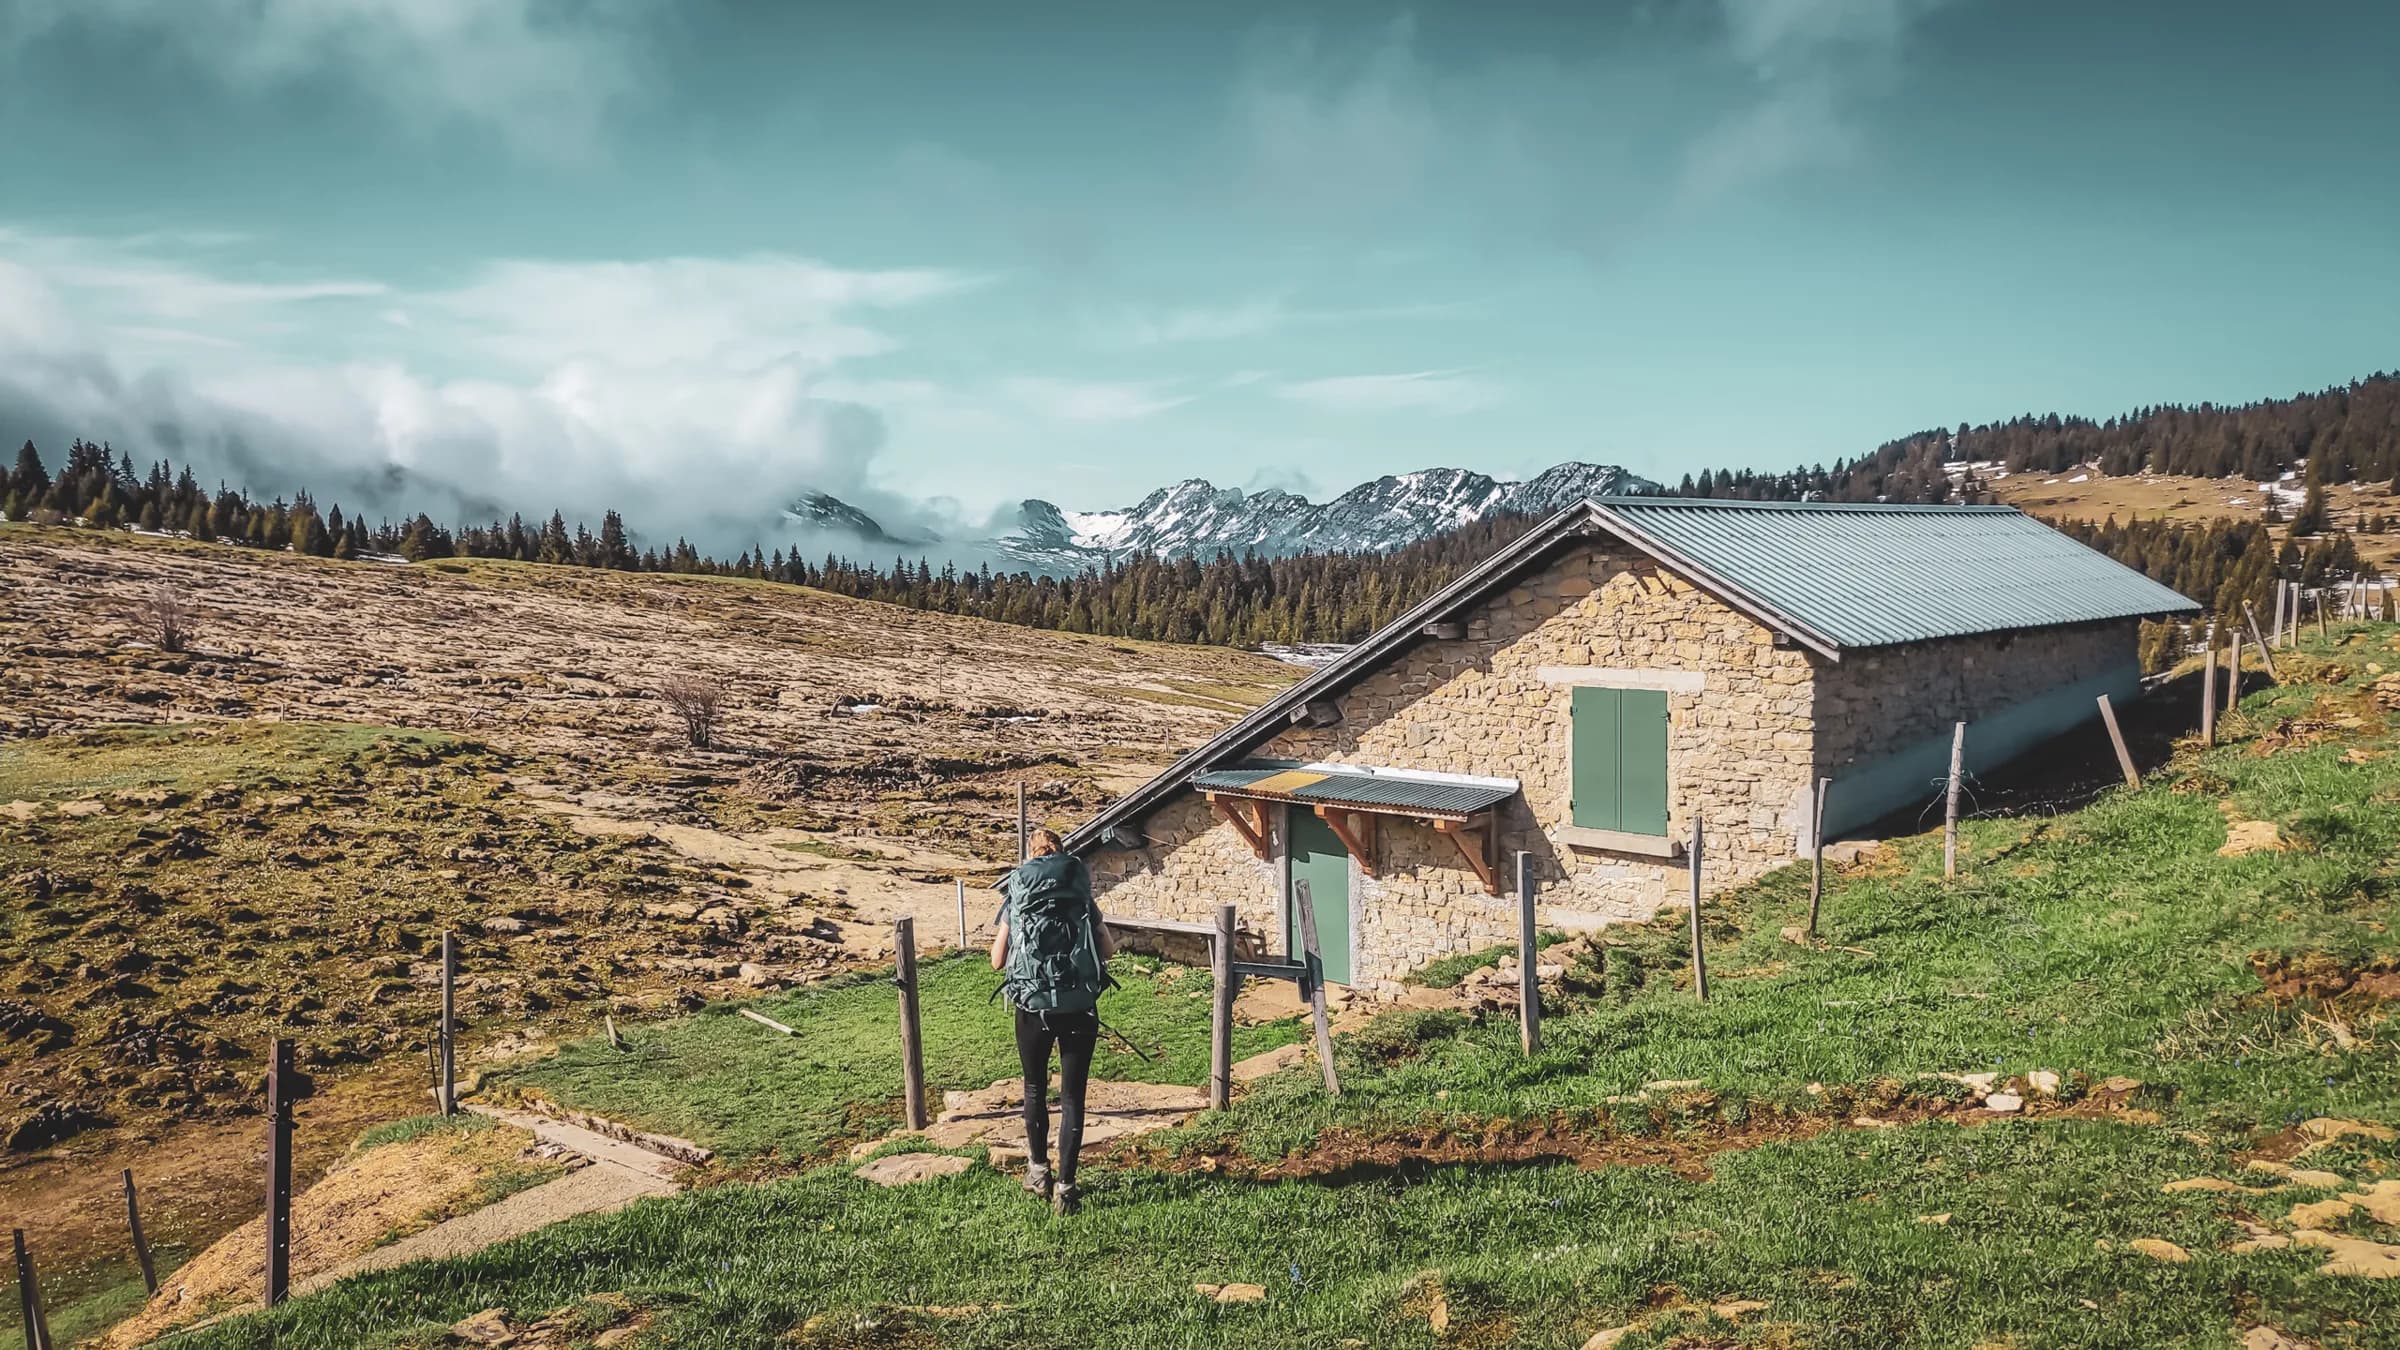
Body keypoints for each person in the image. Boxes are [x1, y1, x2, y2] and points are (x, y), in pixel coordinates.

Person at [989, 826, 1114, 1216]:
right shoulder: (1079, 893)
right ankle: (1067, 1188)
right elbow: (1107, 949)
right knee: (1073, 1097)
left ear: (1031, 854)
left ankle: (1039, 1171)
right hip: (1079, 1005)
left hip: (1033, 1005)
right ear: (1062, 855)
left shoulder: (1018, 893)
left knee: (1033, 1089)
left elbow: (997, 960)